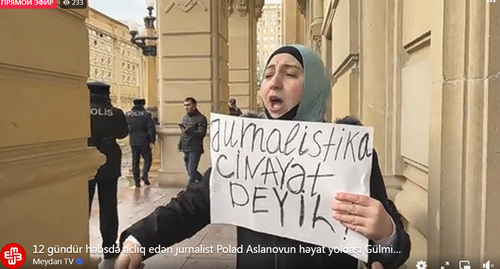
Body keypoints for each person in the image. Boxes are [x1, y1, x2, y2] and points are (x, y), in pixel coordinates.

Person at [114, 45, 411, 269]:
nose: (275, 82)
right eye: (268, 75)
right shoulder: (245, 149)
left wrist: (387, 234)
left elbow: (388, 250)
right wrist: (138, 239)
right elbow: (193, 205)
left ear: (316, 88)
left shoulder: (350, 153)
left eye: (291, 73)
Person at [87, 81, 129, 260]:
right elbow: (123, 133)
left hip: (85, 163)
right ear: (107, 94)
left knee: (82, 207)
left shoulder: (79, 110)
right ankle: (109, 248)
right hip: (110, 163)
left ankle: (79, 245)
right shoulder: (116, 112)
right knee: (109, 207)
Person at [125, 99, 156, 188]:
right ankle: (144, 174)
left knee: (135, 161)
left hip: (133, 141)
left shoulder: (128, 114)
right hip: (144, 140)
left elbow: (125, 127)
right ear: (143, 105)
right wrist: (152, 140)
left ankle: (136, 181)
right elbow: (151, 128)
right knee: (148, 159)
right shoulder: (146, 115)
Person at [177, 97, 207, 186]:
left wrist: (189, 131)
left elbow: (202, 133)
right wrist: (180, 144)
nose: (186, 107)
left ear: (194, 106)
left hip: (195, 148)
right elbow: (183, 133)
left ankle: (189, 188)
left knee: (192, 170)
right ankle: (204, 182)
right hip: (186, 147)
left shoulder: (201, 118)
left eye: (188, 105)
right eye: (185, 105)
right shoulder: (185, 117)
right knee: (190, 171)